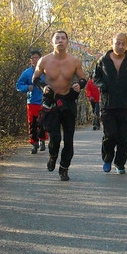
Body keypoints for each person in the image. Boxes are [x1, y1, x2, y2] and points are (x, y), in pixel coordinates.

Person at [33, 31, 87, 181]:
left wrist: (79, 85)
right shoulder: (44, 60)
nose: (60, 41)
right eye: (57, 38)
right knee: (55, 138)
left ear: (67, 42)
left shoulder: (75, 61)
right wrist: (43, 86)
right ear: (52, 42)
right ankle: (52, 155)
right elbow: (35, 78)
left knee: (69, 140)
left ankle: (64, 168)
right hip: (51, 102)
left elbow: (83, 79)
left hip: (68, 102)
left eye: (63, 38)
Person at [92, 32, 127, 175]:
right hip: (108, 105)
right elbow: (95, 77)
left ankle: (120, 163)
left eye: (123, 43)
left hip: (125, 105)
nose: (120, 46)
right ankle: (108, 158)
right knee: (110, 134)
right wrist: (102, 85)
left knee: (123, 137)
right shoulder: (103, 60)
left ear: (126, 45)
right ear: (112, 43)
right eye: (117, 43)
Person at [16, 50, 47, 154]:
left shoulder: (46, 71)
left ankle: (43, 141)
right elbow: (18, 85)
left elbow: (53, 82)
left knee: (43, 122)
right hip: (32, 101)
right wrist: (27, 87)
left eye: (36, 57)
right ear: (30, 60)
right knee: (33, 123)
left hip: (44, 101)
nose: (34, 60)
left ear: (40, 59)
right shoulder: (27, 73)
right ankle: (34, 144)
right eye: (32, 58)